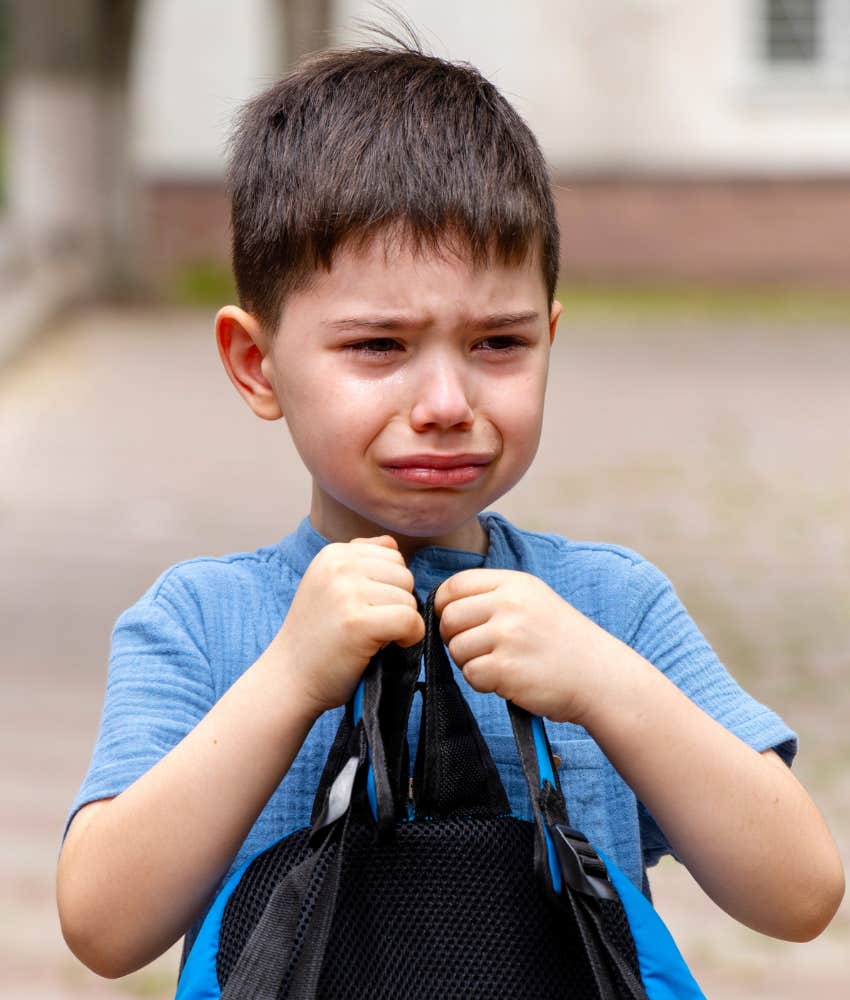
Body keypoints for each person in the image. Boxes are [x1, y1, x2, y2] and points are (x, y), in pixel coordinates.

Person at [57, 37, 843, 981]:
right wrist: (291, 678)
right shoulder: (201, 623)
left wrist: (602, 681)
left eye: (498, 343)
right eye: (379, 345)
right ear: (255, 364)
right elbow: (102, 925)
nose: (444, 402)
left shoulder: (607, 605)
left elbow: (799, 893)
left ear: (550, 338)